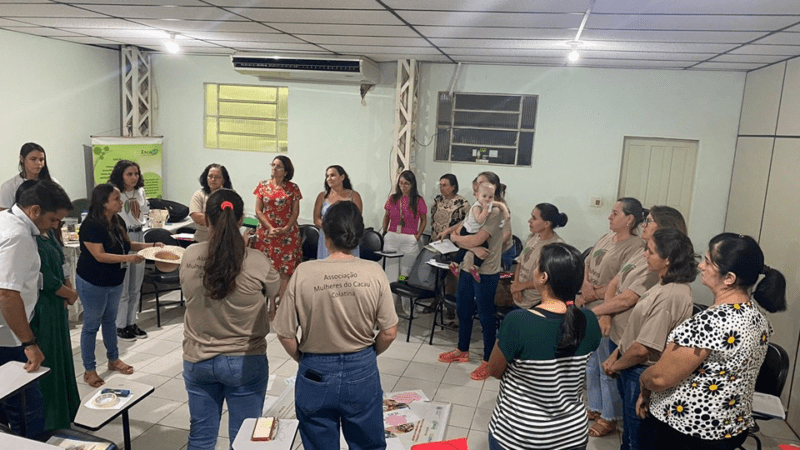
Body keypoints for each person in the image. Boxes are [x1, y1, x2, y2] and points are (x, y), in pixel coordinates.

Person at [636, 233, 787, 450]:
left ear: (729, 278)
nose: (700, 267)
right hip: (729, 426)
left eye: (708, 262)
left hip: (688, 430)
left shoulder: (709, 323)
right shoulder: (756, 317)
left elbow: (660, 378)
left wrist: (644, 382)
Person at [274, 201, 398, 450]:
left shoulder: (303, 272)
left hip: (314, 368)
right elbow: (389, 332)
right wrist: (370, 353)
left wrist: (304, 358)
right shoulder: (374, 272)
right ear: (358, 236)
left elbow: (285, 333)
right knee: (368, 444)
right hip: (361, 365)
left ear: (325, 236)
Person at [180, 189, 280, 450]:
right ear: (241, 220)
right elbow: (274, 289)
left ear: (206, 220)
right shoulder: (257, 261)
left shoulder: (190, 256)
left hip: (198, 359)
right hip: (245, 361)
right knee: (245, 440)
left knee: (200, 438)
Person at [487, 243, 601, 450]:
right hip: (572, 435)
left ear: (543, 277)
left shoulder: (519, 322)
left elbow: (494, 370)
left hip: (521, 436)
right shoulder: (590, 320)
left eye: (537, 266)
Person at [588, 205, 686, 438]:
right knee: (611, 380)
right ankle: (606, 415)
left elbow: (628, 299)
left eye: (649, 220)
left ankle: (610, 418)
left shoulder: (660, 268)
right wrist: (605, 314)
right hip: (619, 334)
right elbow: (615, 282)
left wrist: (592, 312)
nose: (644, 224)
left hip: (634, 346)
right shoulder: (643, 251)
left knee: (635, 420)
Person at [601, 228, 697, 450]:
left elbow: (643, 349)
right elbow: (637, 330)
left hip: (641, 371)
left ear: (667, 260)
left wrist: (616, 365)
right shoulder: (662, 284)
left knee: (638, 439)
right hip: (630, 365)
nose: (645, 255)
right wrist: (616, 353)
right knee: (629, 436)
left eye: (651, 252)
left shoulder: (671, 294)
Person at [0, 180, 71, 437]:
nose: (55, 227)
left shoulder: (7, 220)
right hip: (8, 337)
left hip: (8, 332)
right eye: (53, 220)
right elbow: (7, 294)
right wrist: (29, 343)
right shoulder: (16, 235)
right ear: (35, 210)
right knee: (27, 407)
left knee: (10, 404)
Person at [77, 184, 163, 388]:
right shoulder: (91, 225)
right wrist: (129, 258)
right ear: (103, 202)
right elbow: (99, 255)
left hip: (115, 279)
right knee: (91, 326)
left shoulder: (117, 220)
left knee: (110, 321)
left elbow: (129, 244)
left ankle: (113, 360)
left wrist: (150, 246)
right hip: (93, 281)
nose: (121, 201)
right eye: (116, 198)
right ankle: (89, 370)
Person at [578, 198, 646, 437]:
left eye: (615, 213)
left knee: (607, 365)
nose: (609, 216)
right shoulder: (607, 237)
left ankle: (610, 417)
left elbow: (621, 282)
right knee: (591, 363)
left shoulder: (636, 246)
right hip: (590, 305)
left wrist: (594, 296)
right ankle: (595, 406)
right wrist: (586, 286)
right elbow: (587, 262)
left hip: (611, 313)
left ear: (629, 219)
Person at [438, 173, 507, 381]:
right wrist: (462, 240)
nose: (476, 186)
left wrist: (459, 239)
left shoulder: (494, 211)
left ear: (492, 188)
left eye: (481, 183)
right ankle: (462, 350)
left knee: (486, 317)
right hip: (468, 266)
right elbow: (461, 232)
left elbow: (477, 238)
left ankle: (488, 361)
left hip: (486, 271)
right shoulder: (476, 206)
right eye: (476, 183)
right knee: (463, 308)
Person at [253, 155, 302, 313]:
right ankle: (271, 305)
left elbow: (295, 212)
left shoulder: (293, 188)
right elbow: (258, 210)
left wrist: (286, 228)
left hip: (287, 235)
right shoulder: (262, 186)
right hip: (267, 234)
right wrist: (269, 227)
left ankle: (282, 307)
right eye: (273, 165)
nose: (274, 168)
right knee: (268, 271)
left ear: (286, 171)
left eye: (279, 166)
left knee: (284, 272)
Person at [108, 160, 150, 341]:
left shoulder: (140, 191)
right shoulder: (114, 192)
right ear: (120, 175)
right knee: (123, 286)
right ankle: (120, 325)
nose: (134, 178)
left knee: (136, 285)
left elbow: (145, 213)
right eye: (129, 174)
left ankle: (132, 322)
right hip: (122, 237)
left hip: (139, 236)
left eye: (136, 174)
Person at [448, 181, 510, 282]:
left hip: (474, 231)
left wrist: (506, 213)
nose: (487, 199)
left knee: (480, 247)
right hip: (467, 230)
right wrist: (485, 210)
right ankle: (458, 264)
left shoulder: (488, 203)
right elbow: (479, 220)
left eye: (490, 197)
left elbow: (500, 204)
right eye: (484, 196)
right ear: (477, 195)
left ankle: (471, 266)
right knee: (478, 246)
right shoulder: (477, 206)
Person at [509, 203, 567, 309]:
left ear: (546, 224)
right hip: (520, 294)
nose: (529, 221)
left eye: (534, 218)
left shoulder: (556, 246)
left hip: (536, 301)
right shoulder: (533, 236)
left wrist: (522, 286)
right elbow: (521, 261)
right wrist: (516, 284)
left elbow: (548, 279)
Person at [382, 170, 427, 280]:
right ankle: (392, 296)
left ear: (412, 184)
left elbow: (424, 220)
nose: (403, 186)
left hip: (409, 239)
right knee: (391, 270)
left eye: (406, 183)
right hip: (392, 236)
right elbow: (386, 216)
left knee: (405, 271)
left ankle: (404, 295)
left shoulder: (418, 200)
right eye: (401, 183)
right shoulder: (393, 198)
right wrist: (385, 232)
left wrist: (418, 236)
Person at [313, 165, 363, 259]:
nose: (329, 178)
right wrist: (330, 228)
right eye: (327, 176)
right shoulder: (322, 196)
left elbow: (357, 218)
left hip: (347, 236)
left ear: (342, 177)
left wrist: (340, 228)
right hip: (327, 237)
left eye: (332, 175)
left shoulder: (354, 195)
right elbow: (316, 219)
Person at [0, 142, 56, 211]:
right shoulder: (9, 186)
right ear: (22, 159)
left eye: (41, 160)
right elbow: (3, 216)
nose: (38, 163)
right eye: (33, 159)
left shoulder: (52, 183)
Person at [189, 163, 232, 243]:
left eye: (217, 177)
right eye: (210, 176)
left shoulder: (230, 196)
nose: (213, 179)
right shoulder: (199, 195)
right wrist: (222, 219)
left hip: (225, 241)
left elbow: (236, 218)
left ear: (224, 179)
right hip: (202, 240)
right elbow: (196, 217)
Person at [430, 174, 470, 241]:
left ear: (453, 187)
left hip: (452, 241)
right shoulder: (437, 200)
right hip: (435, 240)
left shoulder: (462, 204)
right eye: (440, 185)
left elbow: (467, 222)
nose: (441, 188)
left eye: (444, 185)